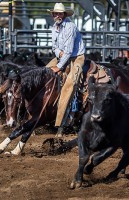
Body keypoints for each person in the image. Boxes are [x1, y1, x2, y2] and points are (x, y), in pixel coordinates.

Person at [46, 3, 85, 136]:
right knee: (44, 73)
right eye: (55, 13)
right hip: (63, 56)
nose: (58, 15)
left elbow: (69, 50)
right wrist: (59, 53)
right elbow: (54, 47)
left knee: (69, 85)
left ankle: (60, 123)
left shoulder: (70, 27)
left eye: (60, 13)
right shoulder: (54, 27)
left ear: (64, 15)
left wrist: (59, 66)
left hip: (76, 58)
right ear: (53, 15)